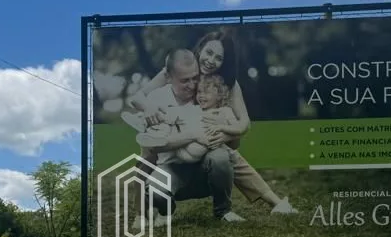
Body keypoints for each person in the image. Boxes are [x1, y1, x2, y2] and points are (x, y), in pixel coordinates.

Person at [126, 74, 294, 213]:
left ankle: (228, 209)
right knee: (169, 128)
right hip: (179, 157)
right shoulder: (193, 109)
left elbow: (236, 137)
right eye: (199, 92)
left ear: (219, 95)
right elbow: (174, 118)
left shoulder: (224, 112)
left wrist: (222, 130)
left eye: (206, 92)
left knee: (225, 155)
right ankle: (146, 124)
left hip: (204, 156)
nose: (201, 96)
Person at [130, 49, 242, 222]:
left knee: (220, 157)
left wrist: (225, 129)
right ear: (168, 77)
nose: (192, 85)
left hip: (204, 170)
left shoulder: (203, 94)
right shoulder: (155, 100)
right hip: (171, 168)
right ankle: (165, 209)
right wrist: (193, 135)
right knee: (154, 191)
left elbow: (234, 143)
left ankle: (223, 211)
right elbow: (154, 147)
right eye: (184, 81)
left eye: (194, 78)